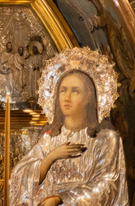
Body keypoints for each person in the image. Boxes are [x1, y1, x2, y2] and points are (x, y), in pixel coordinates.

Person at [9, 48, 128, 206]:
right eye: (63, 90)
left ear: (88, 97)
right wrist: (51, 157)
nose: (67, 97)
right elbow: (19, 177)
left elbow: (108, 185)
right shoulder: (50, 138)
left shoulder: (106, 138)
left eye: (75, 91)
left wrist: (62, 199)